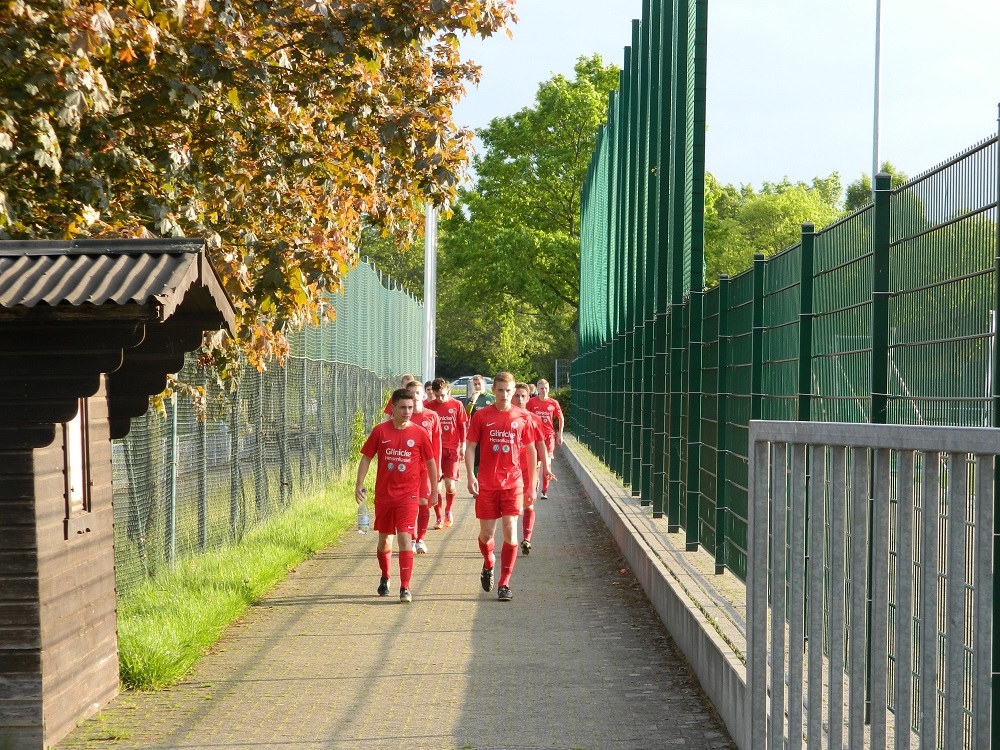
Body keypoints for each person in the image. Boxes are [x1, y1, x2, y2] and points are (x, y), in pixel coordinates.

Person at [356, 388, 438, 603]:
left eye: (410, 407)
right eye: (402, 407)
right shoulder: (380, 431)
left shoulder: (419, 433)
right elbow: (366, 457)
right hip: (384, 496)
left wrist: (434, 490)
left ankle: (405, 587)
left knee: (404, 537)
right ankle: (385, 576)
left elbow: (430, 462)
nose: (407, 411)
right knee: (385, 541)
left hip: (408, 495)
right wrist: (359, 483)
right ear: (393, 408)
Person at [465, 372, 537, 602]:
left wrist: (532, 484)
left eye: (509, 391)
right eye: (501, 390)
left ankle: (504, 583)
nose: (505, 395)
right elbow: (470, 447)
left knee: (510, 531)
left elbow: (532, 450)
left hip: (513, 483)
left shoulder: (523, 417)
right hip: (487, 483)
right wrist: (470, 475)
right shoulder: (481, 416)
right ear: (493, 391)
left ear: (514, 391)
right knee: (487, 535)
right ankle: (488, 563)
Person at [512, 382, 556, 555]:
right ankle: (511, 540)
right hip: (509, 470)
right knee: (512, 508)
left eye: (523, 396)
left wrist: (546, 466)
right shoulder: (505, 418)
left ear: (528, 397)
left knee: (528, 504)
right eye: (516, 395)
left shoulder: (534, 419)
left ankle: (527, 539)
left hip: (529, 468)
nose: (520, 399)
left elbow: (541, 444)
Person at [405, 381, 442, 553]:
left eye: (418, 393)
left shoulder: (432, 416)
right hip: (407, 467)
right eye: (411, 393)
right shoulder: (404, 416)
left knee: (423, 502)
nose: (415, 396)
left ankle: (420, 539)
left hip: (426, 467)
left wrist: (438, 469)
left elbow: (437, 445)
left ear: (424, 395)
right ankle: (412, 538)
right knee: (410, 503)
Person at [427, 377, 468, 528]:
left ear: (448, 391)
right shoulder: (428, 406)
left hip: (452, 449)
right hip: (434, 450)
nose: (440, 398)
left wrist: (463, 445)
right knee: (437, 487)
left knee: (450, 485)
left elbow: (462, 426)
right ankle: (439, 517)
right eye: (437, 395)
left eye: (443, 395)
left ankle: (448, 511)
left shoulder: (457, 405)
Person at [526, 378, 564, 500]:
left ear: (549, 389)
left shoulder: (553, 403)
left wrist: (560, 434)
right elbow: (525, 415)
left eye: (546, 388)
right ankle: (534, 484)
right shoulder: (531, 402)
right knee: (536, 462)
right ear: (537, 389)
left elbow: (561, 418)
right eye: (541, 388)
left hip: (549, 436)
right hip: (535, 436)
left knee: (547, 462)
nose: (544, 390)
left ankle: (544, 490)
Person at [465, 374, 495, 486]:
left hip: (490, 433)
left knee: (489, 458)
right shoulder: (470, 399)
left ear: (484, 384)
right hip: (476, 434)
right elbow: (466, 414)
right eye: (475, 384)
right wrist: (473, 401)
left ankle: (488, 482)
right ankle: (476, 483)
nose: (477, 386)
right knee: (476, 459)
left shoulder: (492, 398)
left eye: (479, 384)